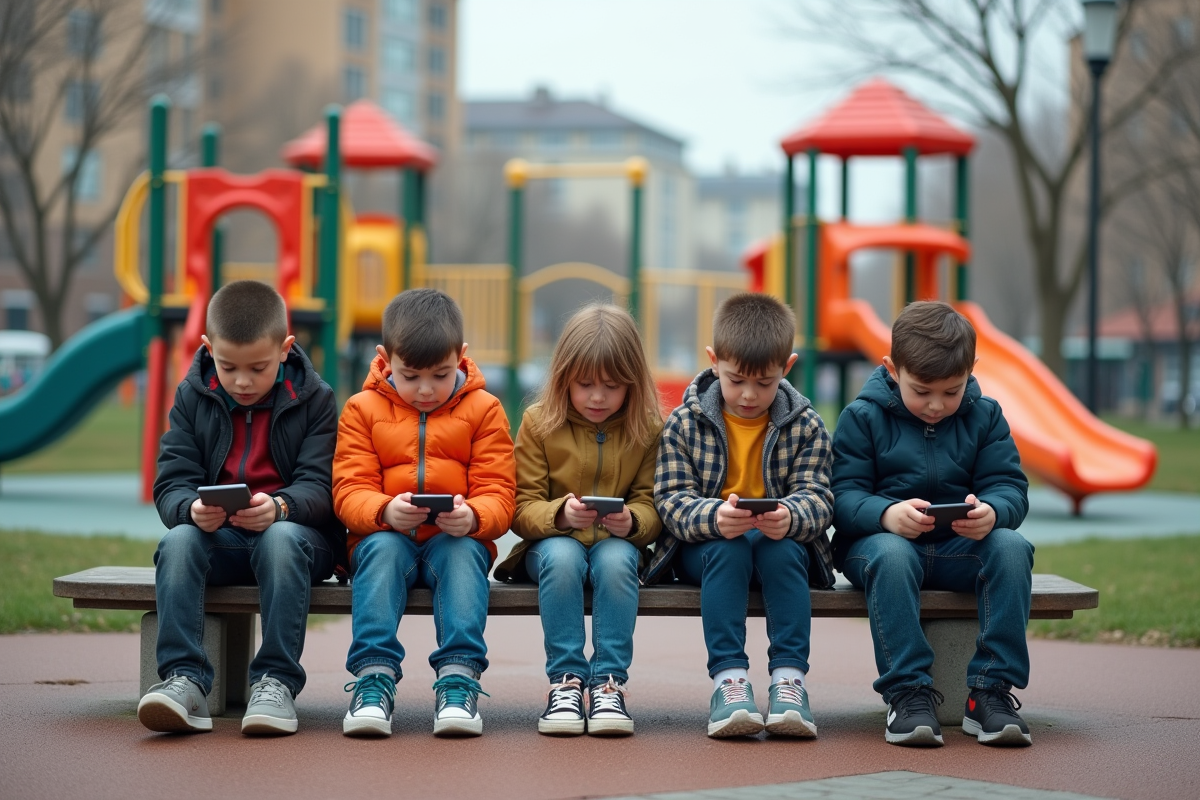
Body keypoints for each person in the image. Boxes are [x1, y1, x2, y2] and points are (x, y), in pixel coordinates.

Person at [140, 279, 341, 735]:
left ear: (287, 349)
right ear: (208, 348)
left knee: (280, 540)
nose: (243, 381)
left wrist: (282, 506)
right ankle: (183, 680)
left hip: (299, 539)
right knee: (178, 541)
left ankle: (275, 682)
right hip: (224, 538)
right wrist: (191, 509)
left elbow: (324, 487)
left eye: (259, 367)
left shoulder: (317, 399)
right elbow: (171, 482)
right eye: (228, 367)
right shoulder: (192, 396)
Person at [831, 300, 1034, 748]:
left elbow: (1010, 487)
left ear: (971, 371)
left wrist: (994, 513)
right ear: (891, 368)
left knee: (1011, 548)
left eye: (952, 390)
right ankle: (907, 693)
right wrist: (885, 514)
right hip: (880, 548)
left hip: (959, 548)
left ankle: (991, 693)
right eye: (922, 390)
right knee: (893, 553)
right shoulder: (861, 417)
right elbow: (841, 497)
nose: (937, 405)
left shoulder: (987, 416)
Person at [334, 288, 515, 738]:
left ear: (462, 357)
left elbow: (499, 492)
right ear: (384, 359)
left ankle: (459, 678)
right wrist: (382, 511)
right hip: (385, 538)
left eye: (441, 374)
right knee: (379, 550)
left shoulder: (485, 410)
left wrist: (473, 517)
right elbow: (348, 490)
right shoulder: (360, 410)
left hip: (449, 541)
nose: (427, 390)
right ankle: (373, 678)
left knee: (462, 553)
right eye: (410, 376)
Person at [654, 292, 834, 739]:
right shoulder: (684, 422)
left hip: (777, 544)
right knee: (729, 548)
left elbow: (820, 496)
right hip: (709, 549)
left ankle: (789, 682)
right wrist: (713, 517)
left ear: (787, 368)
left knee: (783, 551)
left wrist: (790, 516)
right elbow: (671, 499)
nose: (749, 394)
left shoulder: (806, 424)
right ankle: (729, 683)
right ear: (714, 361)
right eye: (736, 381)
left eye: (765, 383)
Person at [494, 304, 663, 737]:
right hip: (550, 546)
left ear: (633, 383)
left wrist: (634, 522)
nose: (597, 397)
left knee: (616, 561)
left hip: (616, 544)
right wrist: (561, 514)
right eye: (584, 384)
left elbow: (653, 502)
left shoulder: (646, 427)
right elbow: (521, 506)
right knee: (565, 557)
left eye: (612, 386)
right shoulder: (538, 422)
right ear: (564, 377)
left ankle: (609, 684)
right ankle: (565, 683)